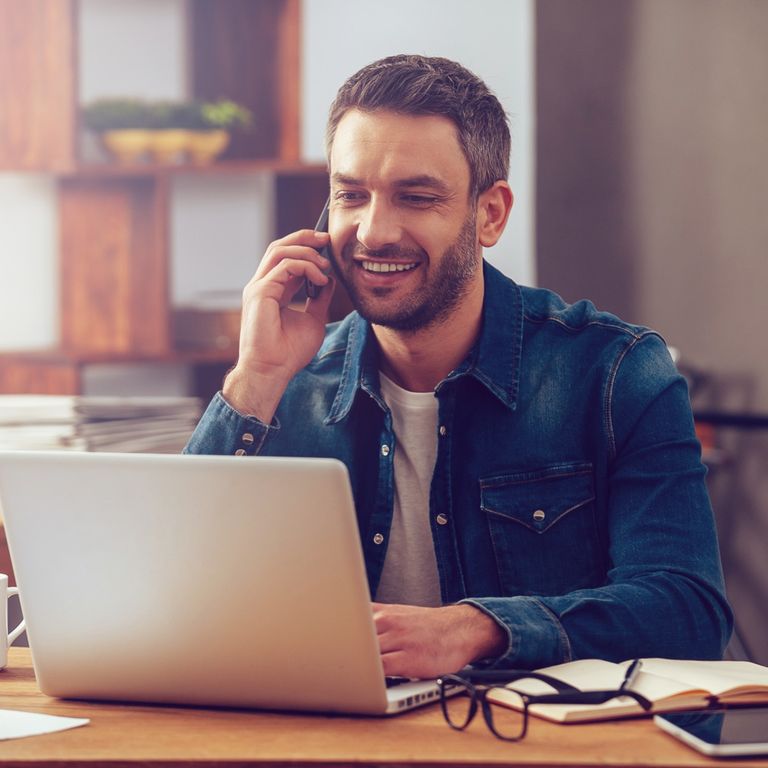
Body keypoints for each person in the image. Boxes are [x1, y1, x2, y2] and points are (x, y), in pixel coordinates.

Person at [185, 54, 732, 678]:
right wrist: (254, 377)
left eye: (415, 197)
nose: (372, 232)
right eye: (350, 195)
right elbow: (172, 596)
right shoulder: (285, 382)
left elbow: (687, 611)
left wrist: (477, 629)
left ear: (490, 214)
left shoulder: (616, 372)